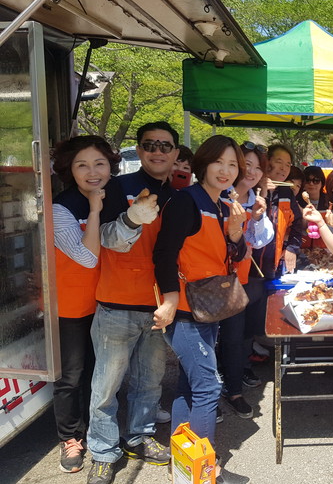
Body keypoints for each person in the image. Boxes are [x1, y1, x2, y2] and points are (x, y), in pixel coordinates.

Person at [86, 122, 179, 484]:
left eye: (165, 146)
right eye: (150, 144)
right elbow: (104, 237)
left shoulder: (177, 195)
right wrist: (130, 218)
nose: (157, 151)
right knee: (105, 387)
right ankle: (103, 452)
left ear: (175, 153)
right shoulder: (117, 187)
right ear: (139, 150)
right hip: (116, 302)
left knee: (150, 381)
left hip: (157, 305)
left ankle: (139, 437)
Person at [152, 135, 248, 483]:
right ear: (203, 164)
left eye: (232, 165)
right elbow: (163, 253)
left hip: (208, 306)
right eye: (218, 162)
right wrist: (169, 299)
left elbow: (235, 255)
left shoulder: (221, 205)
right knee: (208, 386)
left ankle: (183, 465)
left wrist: (235, 233)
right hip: (184, 309)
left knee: (190, 385)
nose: (225, 170)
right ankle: (206, 471)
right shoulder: (186, 201)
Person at [51, 136, 119, 474]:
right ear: (69, 170)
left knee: (100, 372)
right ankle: (70, 437)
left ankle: (98, 428)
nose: (93, 172)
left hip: (107, 302)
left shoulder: (115, 197)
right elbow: (88, 258)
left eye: (99, 163)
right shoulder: (60, 208)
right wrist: (94, 210)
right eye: (82, 165)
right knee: (71, 375)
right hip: (72, 306)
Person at [218, 141, 274, 418]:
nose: (251, 172)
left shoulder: (256, 200)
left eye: (258, 168)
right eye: (247, 165)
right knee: (225, 334)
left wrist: (258, 217)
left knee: (243, 332)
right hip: (218, 278)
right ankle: (227, 390)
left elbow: (262, 239)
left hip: (247, 277)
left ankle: (235, 379)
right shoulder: (219, 195)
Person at [256, 144, 303, 277]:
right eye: (279, 162)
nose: (283, 168)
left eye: (288, 165)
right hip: (249, 263)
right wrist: (262, 191)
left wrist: (292, 248)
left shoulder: (286, 192)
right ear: (267, 161)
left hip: (273, 264)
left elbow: (297, 221)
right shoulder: (252, 186)